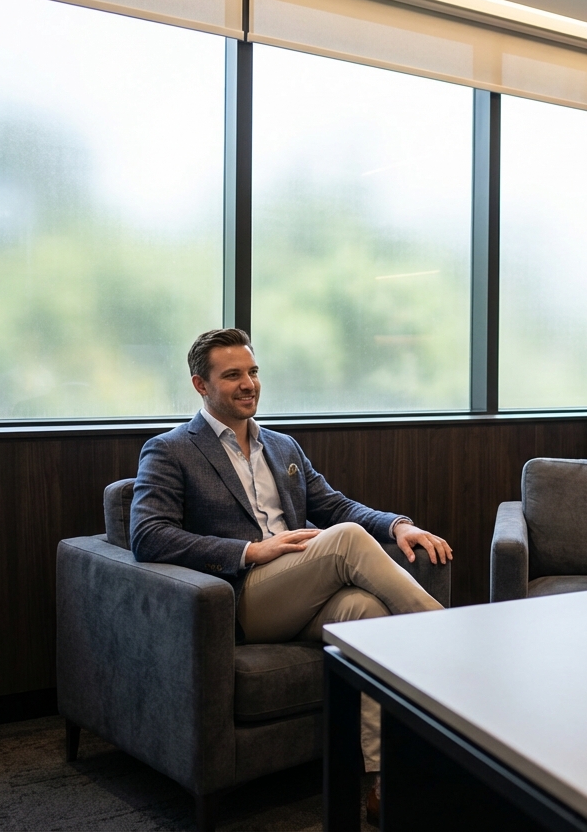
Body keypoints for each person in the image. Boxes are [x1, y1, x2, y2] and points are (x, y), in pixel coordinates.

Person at [130, 327, 452, 822]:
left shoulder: (281, 447)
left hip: (302, 589)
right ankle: (455, 641)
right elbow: (149, 535)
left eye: (253, 372)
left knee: (365, 616)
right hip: (243, 597)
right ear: (201, 385)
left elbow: (333, 504)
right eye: (232, 375)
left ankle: (377, 782)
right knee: (343, 538)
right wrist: (250, 551)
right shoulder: (171, 450)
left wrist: (398, 524)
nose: (248, 384)